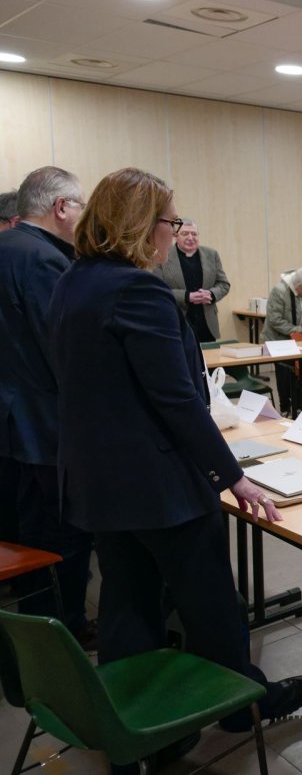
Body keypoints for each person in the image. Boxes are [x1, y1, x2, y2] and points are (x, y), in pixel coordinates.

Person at [48, 167, 302, 738]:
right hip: (159, 483)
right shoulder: (137, 289)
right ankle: (241, 706)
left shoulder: (73, 281)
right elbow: (174, 400)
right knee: (211, 602)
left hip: (99, 480)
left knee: (127, 602)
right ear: (145, 226)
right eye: (170, 222)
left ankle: (141, 721)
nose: (174, 233)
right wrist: (231, 474)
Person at [0, 166, 93, 641]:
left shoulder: (7, 248)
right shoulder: (44, 260)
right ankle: (64, 636)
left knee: (28, 533)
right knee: (63, 537)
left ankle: (33, 634)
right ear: (61, 208)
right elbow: (61, 350)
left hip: (15, 421)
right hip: (47, 425)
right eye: (81, 207)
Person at [154, 218, 230, 342]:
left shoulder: (212, 254)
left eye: (194, 234)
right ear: (176, 235)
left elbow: (224, 284)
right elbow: (158, 290)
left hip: (206, 324)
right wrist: (186, 296)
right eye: (185, 234)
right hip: (176, 322)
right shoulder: (162, 255)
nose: (190, 238)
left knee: (209, 360)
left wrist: (211, 294)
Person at [263, 266, 302, 416]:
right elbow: (275, 320)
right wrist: (298, 330)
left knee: (299, 373)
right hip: (279, 339)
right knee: (284, 374)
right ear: (295, 286)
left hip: (301, 340)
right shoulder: (280, 291)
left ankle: (299, 408)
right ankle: (285, 408)